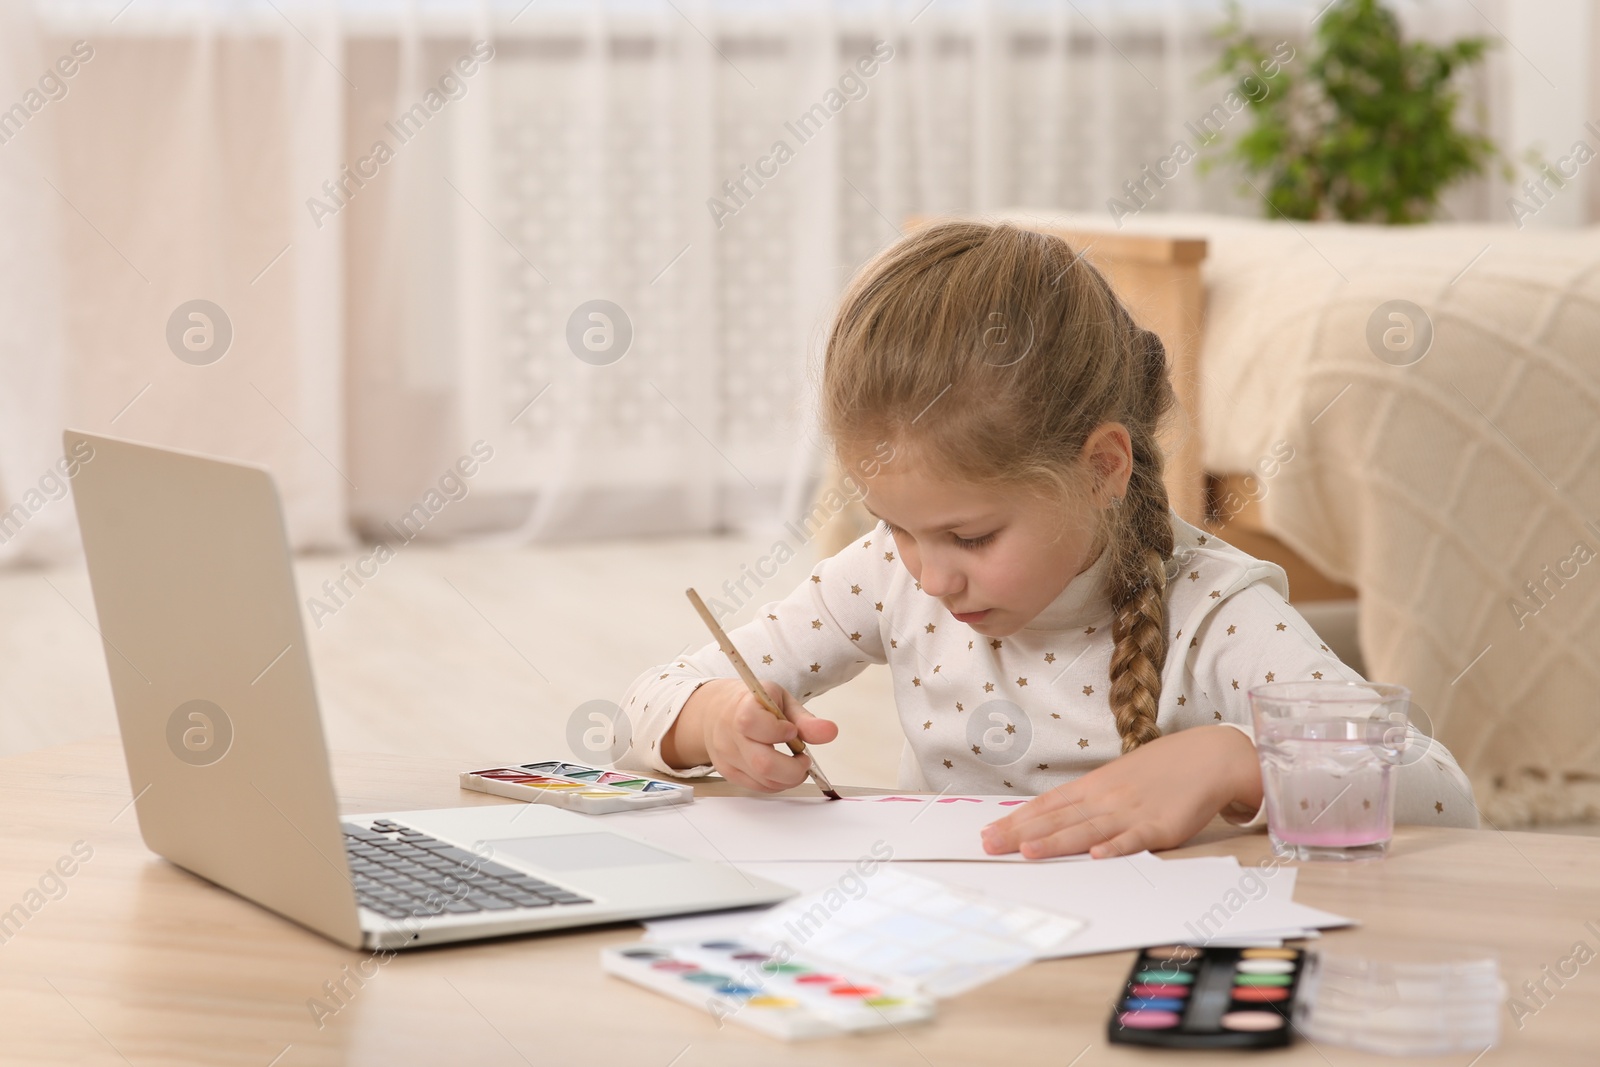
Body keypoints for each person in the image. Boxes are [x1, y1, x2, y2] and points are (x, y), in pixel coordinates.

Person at [617, 219, 1476, 858]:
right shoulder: (889, 574)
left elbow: (1444, 796)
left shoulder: (1217, 612)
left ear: (1103, 466)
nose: (933, 576)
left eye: (970, 534)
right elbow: (652, 697)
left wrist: (1234, 761)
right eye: (897, 528)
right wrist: (715, 721)